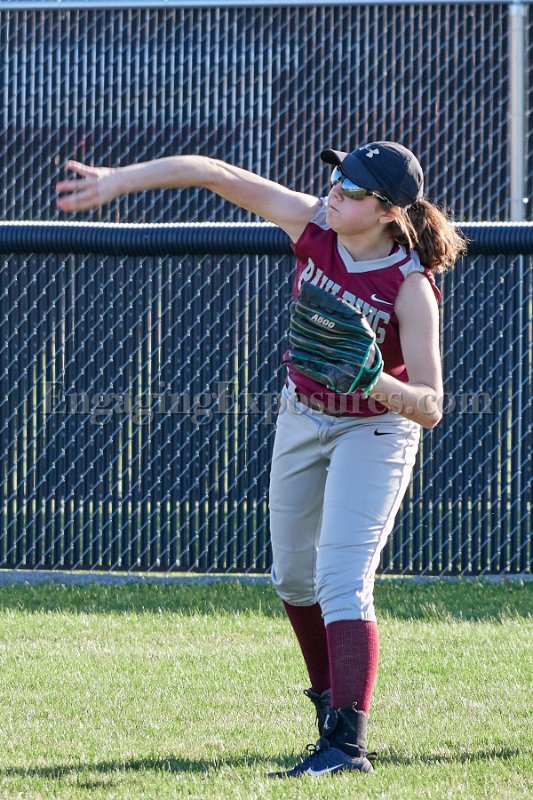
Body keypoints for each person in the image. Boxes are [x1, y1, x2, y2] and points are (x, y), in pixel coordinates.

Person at [56, 141, 467, 777]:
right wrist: (117, 180)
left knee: (341, 580)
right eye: (338, 176)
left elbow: (431, 406)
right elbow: (213, 172)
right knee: (293, 579)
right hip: (302, 412)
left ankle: (346, 746)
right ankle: (329, 708)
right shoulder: (314, 223)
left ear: (389, 211)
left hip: (375, 429)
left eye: (354, 188)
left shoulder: (410, 287)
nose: (336, 190)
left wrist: (374, 380)